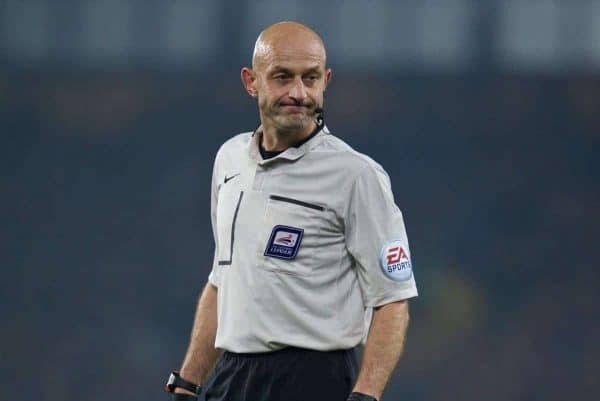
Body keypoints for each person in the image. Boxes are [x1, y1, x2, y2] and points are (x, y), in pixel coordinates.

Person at [165, 21, 418, 401]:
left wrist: (365, 396)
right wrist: (188, 381)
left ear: (326, 81)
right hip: (233, 376)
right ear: (251, 82)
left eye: (310, 78)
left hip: (315, 378)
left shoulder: (355, 175)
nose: (298, 93)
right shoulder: (229, 160)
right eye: (283, 77)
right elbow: (223, 278)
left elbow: (392, 300)